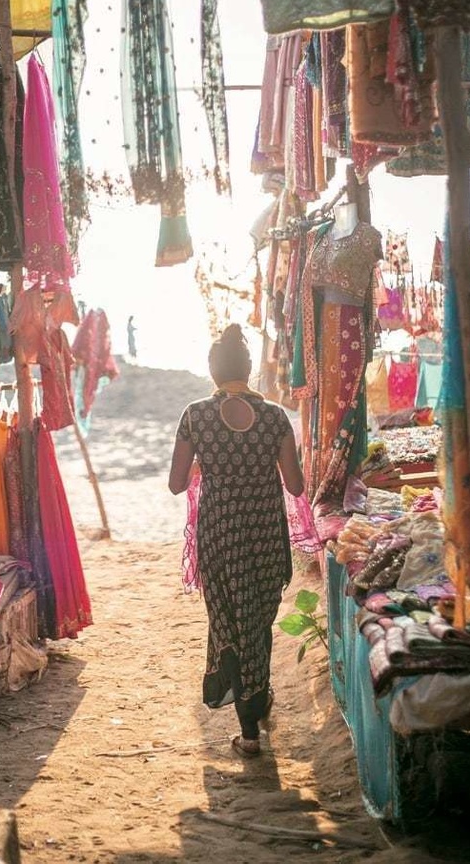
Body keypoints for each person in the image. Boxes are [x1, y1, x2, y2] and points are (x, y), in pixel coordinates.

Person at [168, 323, 304, 757]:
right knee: (257, 619)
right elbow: (297, 487)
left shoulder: (195, 416)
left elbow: (175, 484)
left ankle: (248, 730)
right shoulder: (276, 417)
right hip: (264, 533)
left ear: (212, 371)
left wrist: (211, 466)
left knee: (227, 618)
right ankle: (256, 706)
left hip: (219, 533)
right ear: (248, 370)